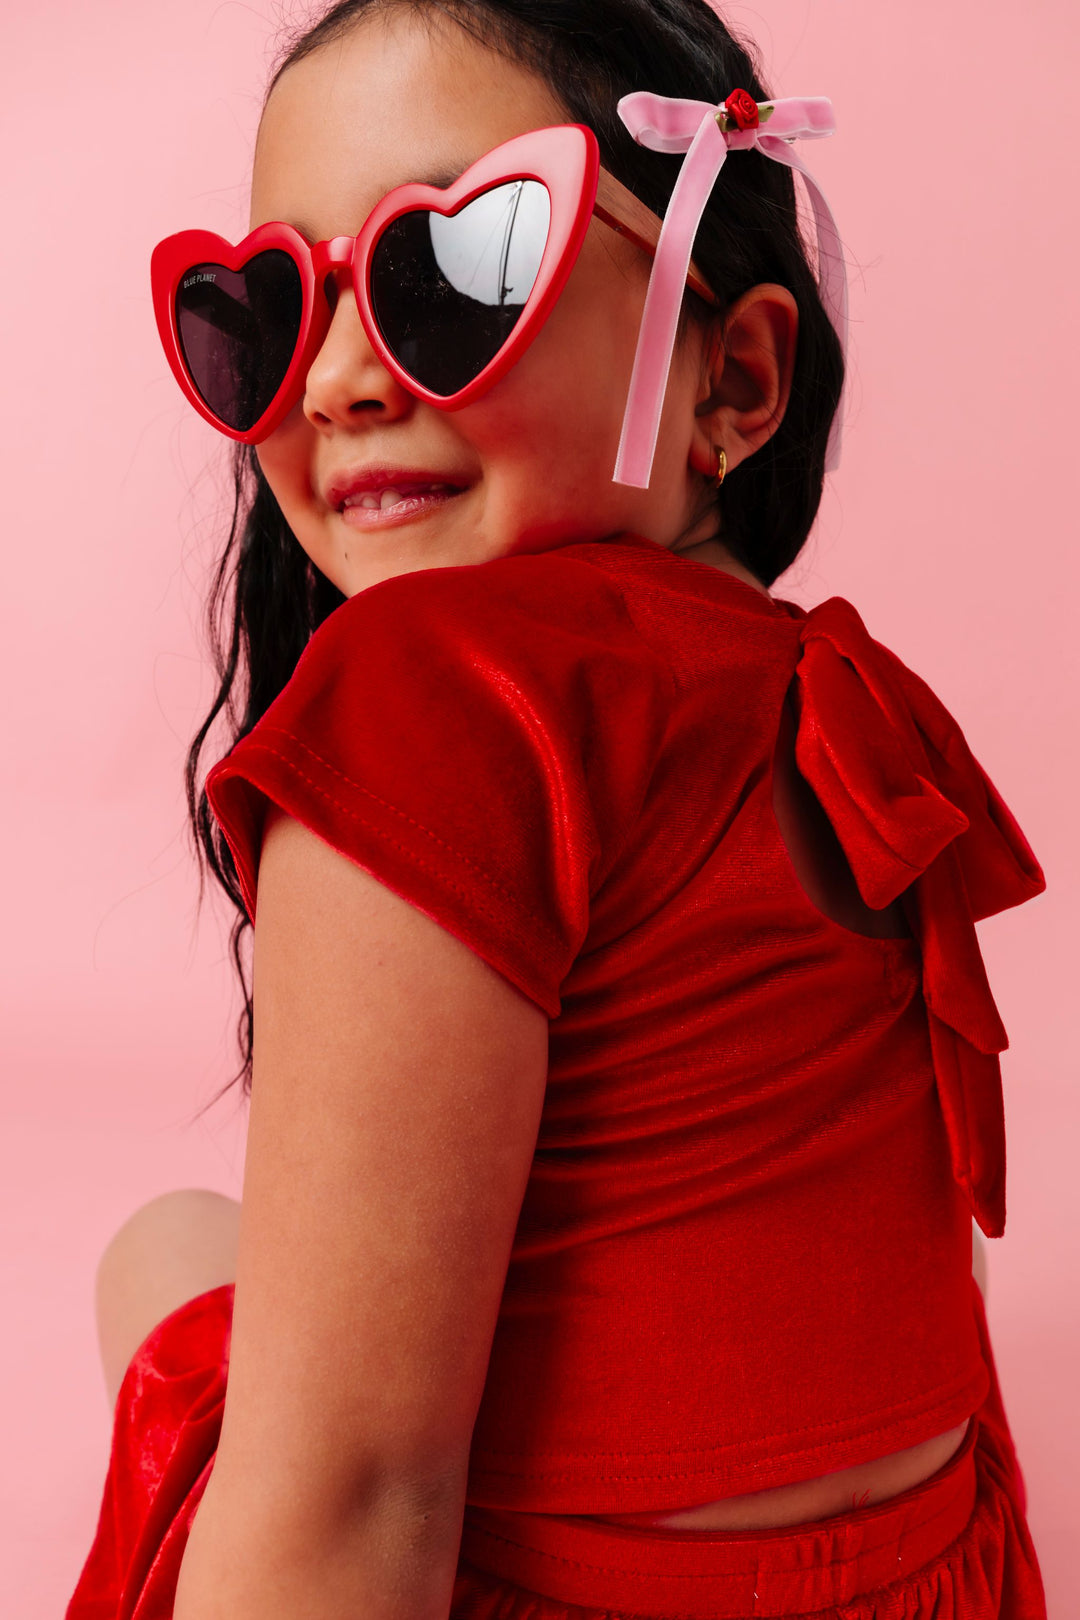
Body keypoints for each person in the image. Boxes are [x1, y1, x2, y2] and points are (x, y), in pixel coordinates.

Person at [66, 2, 1050, 1617]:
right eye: (268, 309)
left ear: (735, 374)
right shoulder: (828, 686)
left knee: (164, 1251)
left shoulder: (428, 692)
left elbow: (355, 1498)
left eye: (458, 270)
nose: (337, 381)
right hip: (941, 1574)